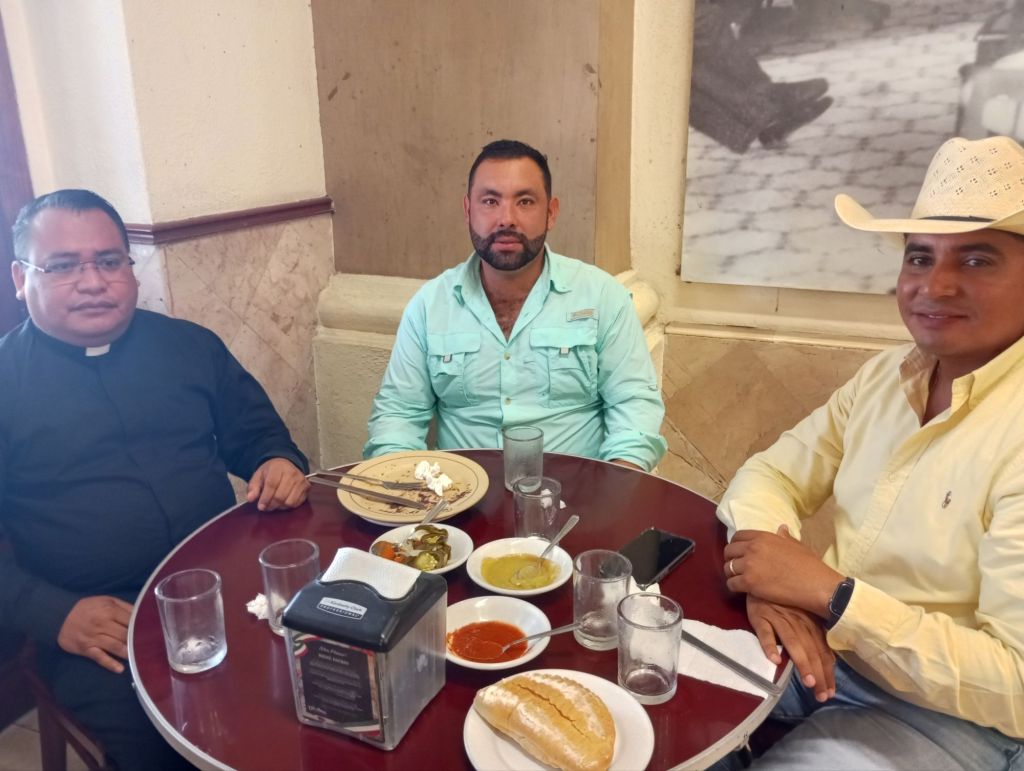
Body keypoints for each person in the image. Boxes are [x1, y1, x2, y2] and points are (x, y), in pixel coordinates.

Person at [716, 136, 1024, 768]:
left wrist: (831, 595)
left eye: (976, 260)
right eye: (920, 257)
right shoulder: (887, 377)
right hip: (821, 648)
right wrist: (773, 581)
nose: (935, 284)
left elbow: (1014, 684)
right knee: (642, 709)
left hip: (948, 716)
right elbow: (772, 473)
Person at [0, 189, 311, 770]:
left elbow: (260, 434)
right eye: (63, 266)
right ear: (21, 279)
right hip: (99, 620)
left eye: (109, 261)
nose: (93, 282)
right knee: (167, 748)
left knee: (325, 677)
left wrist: (278, 461)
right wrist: (53, 614)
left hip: (227, 579)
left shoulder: (188, 346)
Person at [364, 139, 667, 472]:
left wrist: (615, 487)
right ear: (468, 210)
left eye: (524, 201)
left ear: (551, 213)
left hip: (578, 494)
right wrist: (403, 483)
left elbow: (634, 406)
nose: (506, 219)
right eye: (490, 201)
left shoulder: (601, 296)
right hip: (461, 497)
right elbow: (399, 414)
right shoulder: (429, 306)